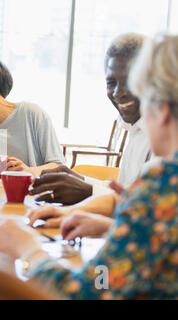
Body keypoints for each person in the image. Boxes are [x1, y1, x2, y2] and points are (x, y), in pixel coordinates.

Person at [0, 34, 178, 299]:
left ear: (163, 109)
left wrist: (27, 248)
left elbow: (90, 291)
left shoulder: (164, 182)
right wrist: (110, 227)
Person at [31, 33, 153, 204]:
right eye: (111, 83)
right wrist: (79, 179)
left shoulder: (161, 135)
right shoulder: (136, 130)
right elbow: (124, 191)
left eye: (128, 81)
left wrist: (87, 191)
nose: (118, 92)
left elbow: (146, 208)